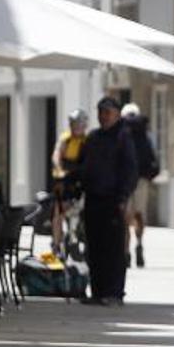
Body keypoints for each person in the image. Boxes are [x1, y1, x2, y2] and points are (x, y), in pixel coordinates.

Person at [79, 96, 138, 306]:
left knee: (113, 248)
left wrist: (123, 197)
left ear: (116, 114)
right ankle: (97, 291)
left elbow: (130, 170)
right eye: (100, 112)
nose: (102, 116)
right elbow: (82, 166)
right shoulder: (93, 137)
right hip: (93, 200)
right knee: (94, 248)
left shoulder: (123, 137)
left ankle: (114, 292)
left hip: (113, 201)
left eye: (107, 112)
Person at [122, 102, 159, 269]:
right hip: (142, 180)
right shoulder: (146, 134)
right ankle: (139, 244)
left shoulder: (121, 131)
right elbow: (154, 157)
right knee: (139, 215)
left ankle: (126, 252)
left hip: (125, 180)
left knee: (126, 218)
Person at [50, 110, 89, 258]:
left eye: (79, 124)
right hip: (65, 177)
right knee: (58, 211)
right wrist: (58, 168)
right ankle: (56, 243)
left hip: (82, 178)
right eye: (74, 124)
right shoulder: (65, 139)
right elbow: (56, 155)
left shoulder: (88, 140)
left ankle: (85, 240)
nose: (76, 127)